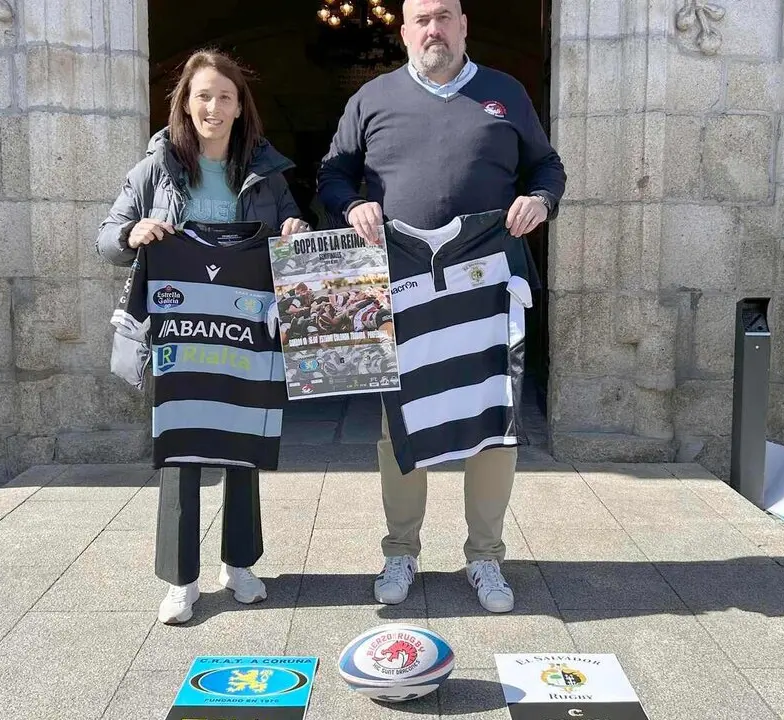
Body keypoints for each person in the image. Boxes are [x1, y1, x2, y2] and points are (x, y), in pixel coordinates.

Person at [316, 0, 566, 613]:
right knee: (399, 423)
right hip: (396, 283)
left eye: (445, 16)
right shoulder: (371, 99)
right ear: (404, 31)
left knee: (495, 424)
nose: (434, 29)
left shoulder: (504, 93)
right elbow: (332, 175)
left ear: (463, 26)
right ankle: (400, 550)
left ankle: (485, 557)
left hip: (486, 282)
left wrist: (541, 200)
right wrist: (352, 206)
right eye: (422, 19)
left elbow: (547, 166)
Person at [96, 49, 308, 625]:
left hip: (244, 326)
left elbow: (292, 230)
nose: (213, 107)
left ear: (241, 107)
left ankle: (239, 565)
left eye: (225, 97)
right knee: (181, 446)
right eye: (203, 96)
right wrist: (134, 232)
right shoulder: (154, 169)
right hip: (180, 328)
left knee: (243, 443)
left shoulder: (266, 174)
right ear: (185, 105)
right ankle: (180, 579)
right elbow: (108, 237)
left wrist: (295, 227)